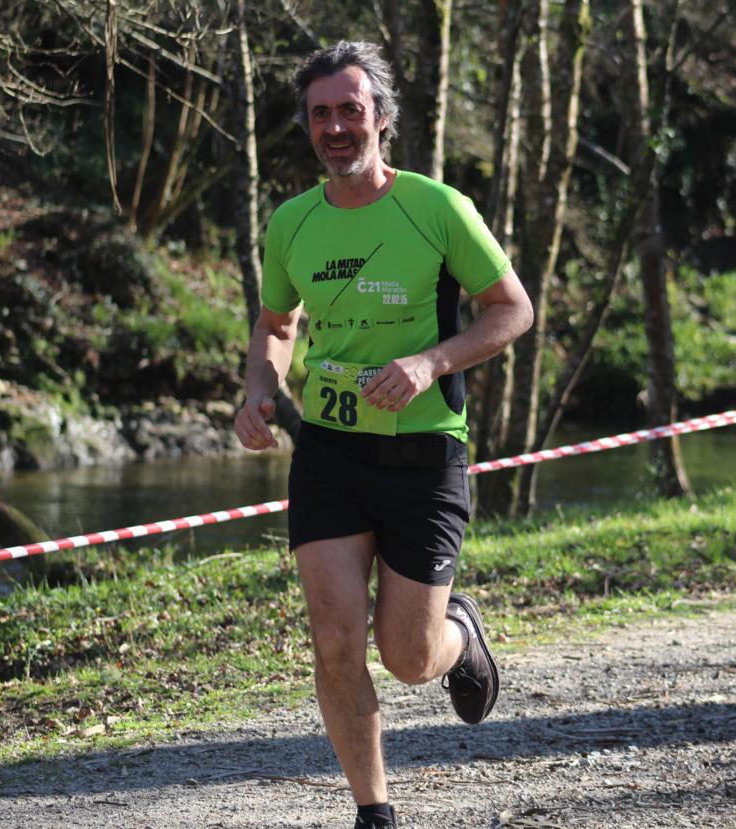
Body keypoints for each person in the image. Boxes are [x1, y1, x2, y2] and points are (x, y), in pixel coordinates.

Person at [234, 41, 533, 829]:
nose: (336, 126)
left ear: (382, 118)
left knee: (407, 656)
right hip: (330, 453)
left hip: (423, 454)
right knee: (336, 639)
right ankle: (376, 812)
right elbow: (276, 325)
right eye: (321, 114)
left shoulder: (437, 208)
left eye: (350, 109)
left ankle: (460, 633)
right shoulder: (292, 222)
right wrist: (259, 389)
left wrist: (432, 362)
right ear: (307, 125)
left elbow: (513, 310)